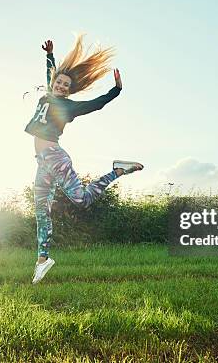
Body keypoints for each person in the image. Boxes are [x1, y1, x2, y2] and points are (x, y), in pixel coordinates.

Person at [25, 35, 144, 284]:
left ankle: (118, 171)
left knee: (81, 200)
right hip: (42, 161)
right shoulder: (47, 96)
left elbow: (96, 104)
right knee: (41, 211)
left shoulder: (69, 107)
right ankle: (42, 260)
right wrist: (49, 56)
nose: (60, 86)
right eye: (58, 82)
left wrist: (116, 90)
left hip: (55, 158)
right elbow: (50, 76)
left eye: (65, 85)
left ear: (69, 90)